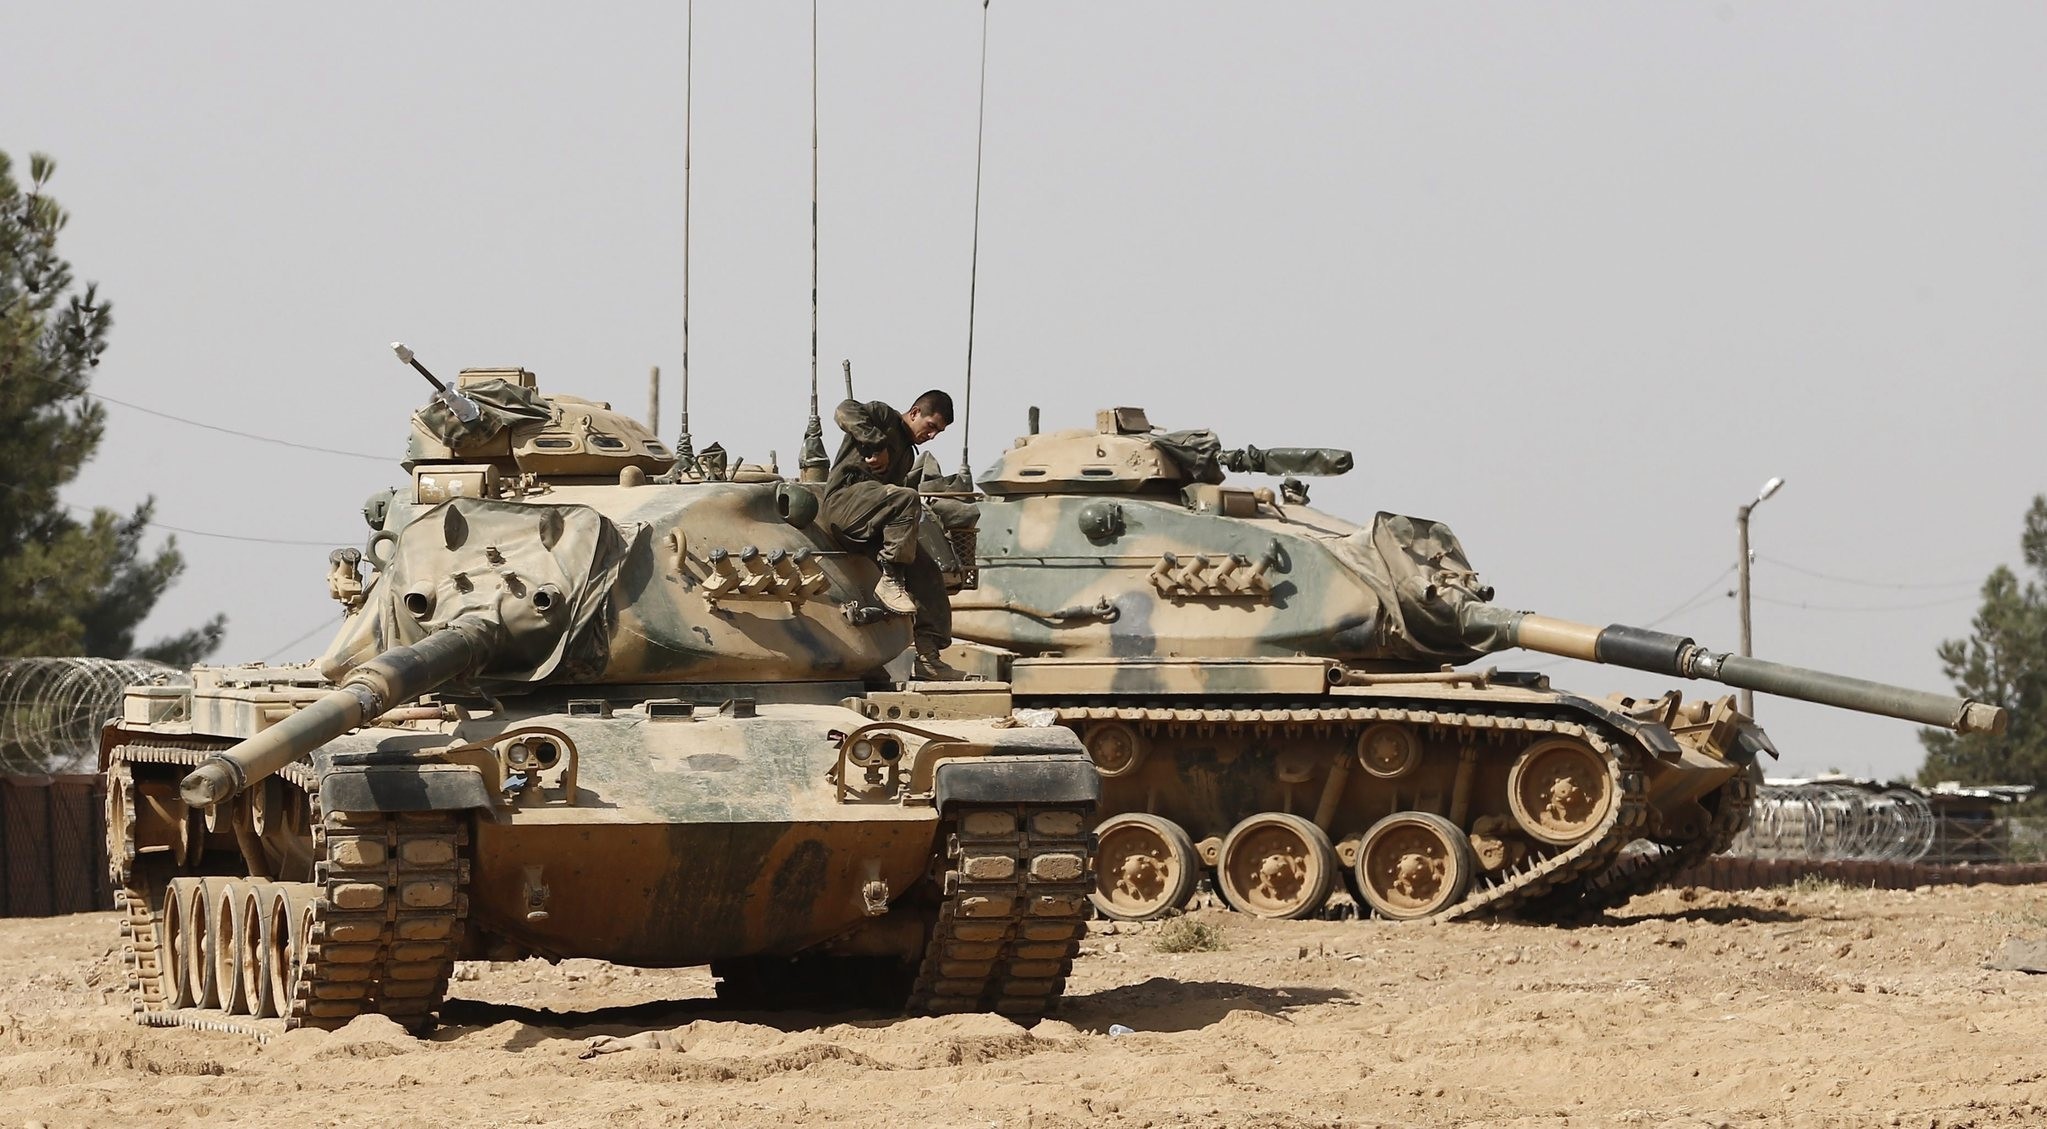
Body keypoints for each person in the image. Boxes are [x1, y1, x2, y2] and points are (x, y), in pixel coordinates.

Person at [823, 390, 975, 680]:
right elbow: (845, 409)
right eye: (930, 426)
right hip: (844, 506)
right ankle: (890, 580)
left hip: (873, 526)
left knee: (928, 573)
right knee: (907, 497)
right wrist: (876, 443)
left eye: (938, 432)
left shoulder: (906, 455)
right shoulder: (883, 417)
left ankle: (929, 659)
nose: (932, 436)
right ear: (915, 413)